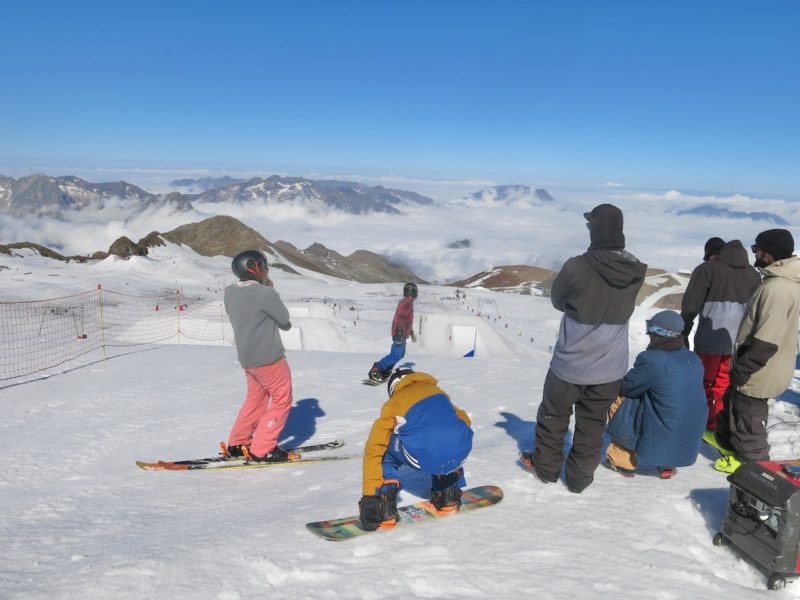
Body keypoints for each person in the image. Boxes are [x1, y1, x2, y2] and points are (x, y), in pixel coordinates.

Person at [522, 204, 647, 493]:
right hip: (610, 369)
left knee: (553, 417)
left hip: (569, 365)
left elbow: (557, 301)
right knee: (591, 426)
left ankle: (546, 470)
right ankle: (579, 480)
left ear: (594, 230)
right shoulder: (635, 270)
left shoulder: (576, 266)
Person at [711, 229, 800, 473]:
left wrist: (744, 369)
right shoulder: (777, 282)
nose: (755, 253)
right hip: (759, 364)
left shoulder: (778, 289)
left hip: (761, 367)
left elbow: (766, 340)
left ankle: (754, 464)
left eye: (757, 249)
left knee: (749, 418)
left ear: (770, 254)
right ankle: (727, 443)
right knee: (735, 404)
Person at [358, 369, 474, 530]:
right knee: (443, 435)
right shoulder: (437, 392)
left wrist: (369, 498)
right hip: (461, 449)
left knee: (385, 445)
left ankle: (383, 505)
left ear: (393, 389)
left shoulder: (395, 402)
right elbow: (464, 419)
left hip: (426, 453)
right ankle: (448, 494)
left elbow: (374, 448)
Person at [604, 310, 708, 479]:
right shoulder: (692, 358)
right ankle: (667, 464)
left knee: (621, 399)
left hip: (664, 426)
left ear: (658, 333)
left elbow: (629, 387)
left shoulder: (652, 359)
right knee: (669, 402)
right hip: (690, 429)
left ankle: (623, 460)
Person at [680, 238, 761, 430]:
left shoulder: (707, 269)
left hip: (711, 338)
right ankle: (723, 420)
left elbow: (691, 305)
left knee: (705, 382)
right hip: (740, 341)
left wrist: (683, 332)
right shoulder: (753, 274)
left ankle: (708, 422)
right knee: (726, 382)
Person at [223, 250, 295, 462]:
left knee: (256, 398)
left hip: (247, 359)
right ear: (253, 266)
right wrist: (270, 292)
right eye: (263, 265)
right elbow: (284, 321)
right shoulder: (265, 293)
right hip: (269, 358)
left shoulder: (229, 292)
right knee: (282, 399)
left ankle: (238, 443)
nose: (265, 269)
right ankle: (263, 448)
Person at [368, 283, 418, 382]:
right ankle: (376, 369)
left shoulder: (409, 303)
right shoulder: (406, 303)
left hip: (402, 334)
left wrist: (411, 332)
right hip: (399, 334)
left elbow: (406, 320)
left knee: (400, 354)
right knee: (395, 354)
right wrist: (399, 333)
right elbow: (399, 318)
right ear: (413, 292)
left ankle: (385, 369)